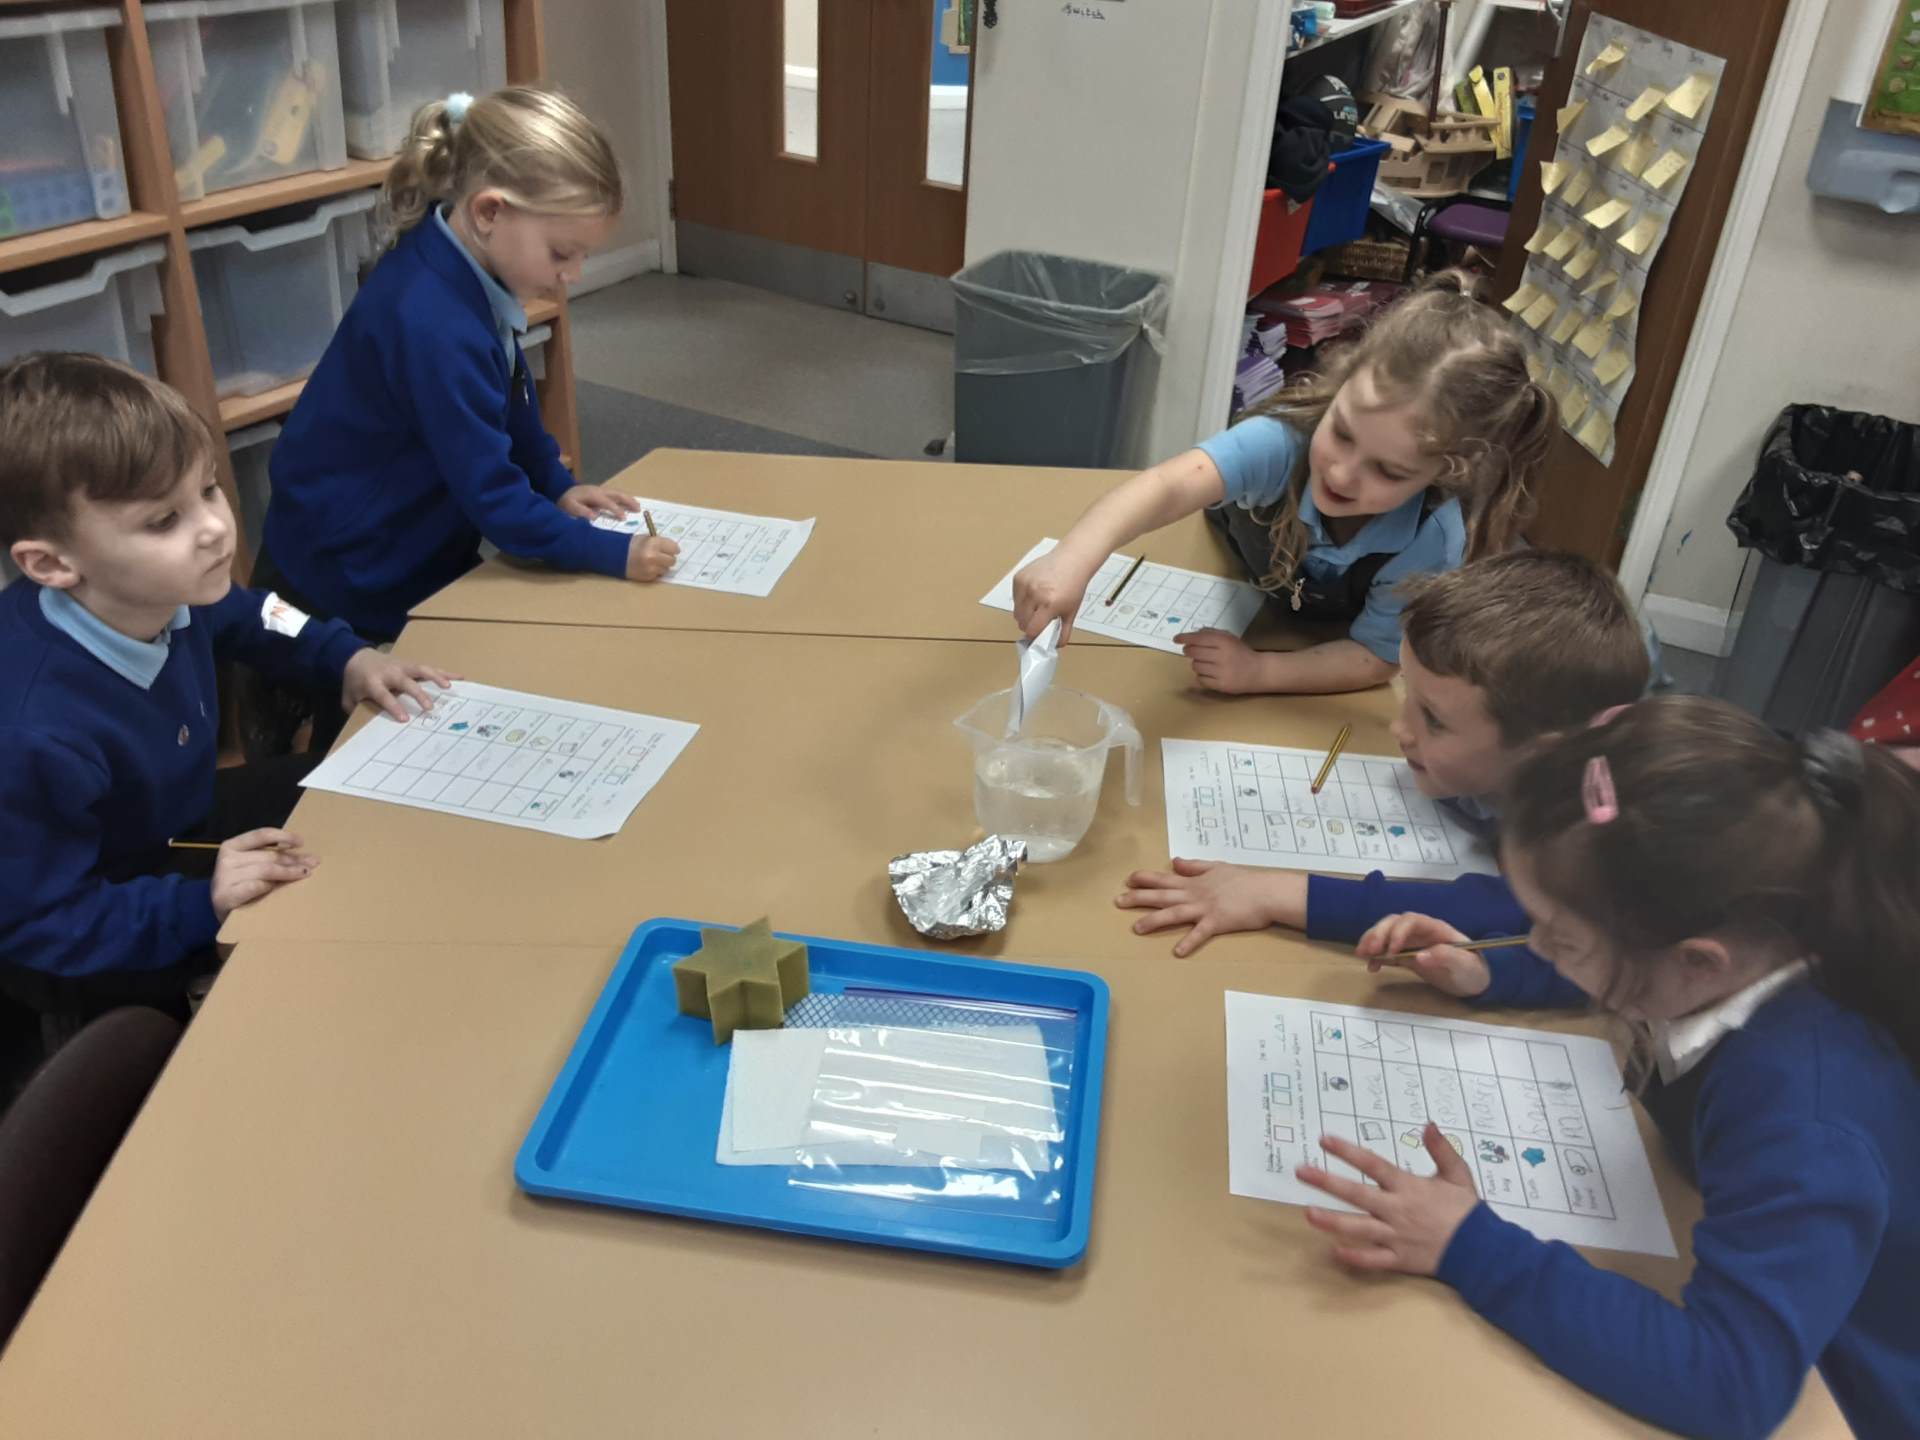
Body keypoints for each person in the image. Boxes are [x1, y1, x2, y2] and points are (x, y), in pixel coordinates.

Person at [1299, 697, 1920, 1439]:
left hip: (1852, 1394)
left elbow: (1730, 1383)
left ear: (1698, 960)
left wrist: (1470, 1245)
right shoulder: (1752, 940)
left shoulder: (1807, 1117)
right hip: (1738, 1251)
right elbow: (1633, 966)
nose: (1536, 946)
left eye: (1558, 938)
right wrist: (1491, 973)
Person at [0, 353, 453, 1014]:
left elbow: (258, 614)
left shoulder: (171, 591)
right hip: (89, 922)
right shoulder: (32, 731)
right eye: (164, 520)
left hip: (171, 827)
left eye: (208, 490)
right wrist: (199, 905)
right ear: (50, 564)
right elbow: (44, 922)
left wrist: (346, 658)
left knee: (360, 804)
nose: (214, 529)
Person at [253, 86, 677, 752]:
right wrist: (613, 553)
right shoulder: (433, 320)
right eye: (562, 253)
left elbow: (509, 394)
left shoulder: (468, 266)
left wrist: (553, 483)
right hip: (343, 571)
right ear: (489, 212)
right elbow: (495, 501)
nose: (572, 274)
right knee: (367, 744)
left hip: (407, 536)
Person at [1011, 272, 1553, 695]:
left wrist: (1262, 672)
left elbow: (1374, 656)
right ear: (1342, 383)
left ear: (1448, 472)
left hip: (1308, 641)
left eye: (1388, 471)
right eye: (1341, 433)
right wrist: (1072, 558)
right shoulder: (1283, 441)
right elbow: (1168, 486)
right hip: (1224, 571)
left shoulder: (1433, 538)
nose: (1341, 473)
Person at [1117, 552, 1649, 956]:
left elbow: (1497, 913)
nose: (1398, 729)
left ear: (1541, 754)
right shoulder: (1534, 762)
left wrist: (1273, 893)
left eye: (1433, 719)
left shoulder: (1587, 838)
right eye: (1406, 693)